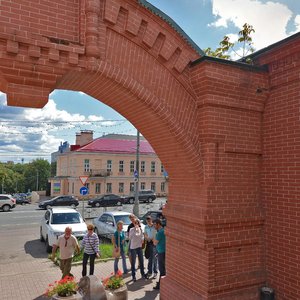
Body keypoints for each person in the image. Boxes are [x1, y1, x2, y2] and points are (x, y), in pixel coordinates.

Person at [153, 219, 166, 290]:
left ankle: (160, 285)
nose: (154, 226)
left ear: (158, 224)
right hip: (163, 252)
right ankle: (161, 284)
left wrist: (153, 238)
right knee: (163, 268)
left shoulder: (159, 233)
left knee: (161, 269)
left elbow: (155, 243)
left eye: (155, 224)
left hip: (161, 252)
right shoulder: (163, 230)